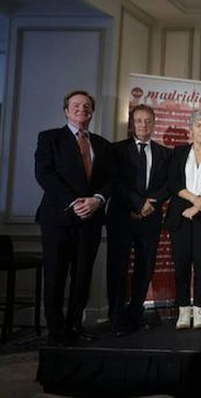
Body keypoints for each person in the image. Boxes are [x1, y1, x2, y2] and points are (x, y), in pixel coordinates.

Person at [35, 90, 113, 346]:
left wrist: (97, 200)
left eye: (87, 106)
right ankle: (57, 332)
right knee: (55, 276)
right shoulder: (50, 138)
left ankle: (75, 326)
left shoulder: (102, 144)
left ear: (92, 111)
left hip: (90, 220)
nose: (82, 109)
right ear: (66, 111)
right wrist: (75, 201)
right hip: (58, 219)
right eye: (76, 105)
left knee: (82, 277)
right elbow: (44, 175)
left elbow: (110, 180)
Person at [107, 105, 172, 337]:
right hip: (122, 218)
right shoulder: (116, 150)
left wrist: (150, 204)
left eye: (147, 121)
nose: (143, 125)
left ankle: (135, 315)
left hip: (150, 219)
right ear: (132, 124)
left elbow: (168, 184)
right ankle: (116, 318)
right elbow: (115, 182)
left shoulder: (165, 153)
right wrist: (137, 204)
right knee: (118, 269)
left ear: (154, 123)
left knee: (145, 269)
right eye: (139, 121)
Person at [166, 110, 201, 330]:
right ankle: (183, 309)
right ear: (191, 128)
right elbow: (173, 182)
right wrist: (194, 201)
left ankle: (199, 309)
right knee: (181, 265)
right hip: (181, 217)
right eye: (198, 125)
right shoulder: (178, 153)